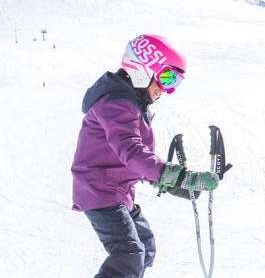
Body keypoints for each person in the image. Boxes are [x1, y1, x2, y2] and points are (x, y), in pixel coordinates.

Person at [70, 34, 220, 278]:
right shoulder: (115, 104)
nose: (167, 90)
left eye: (175, 82)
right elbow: (132, 152)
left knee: (145, 248)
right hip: (99, 191)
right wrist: (180, 176)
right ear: (141, 68)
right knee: (128, 255)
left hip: (116, 191)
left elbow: (137, 161)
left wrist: (169, 183)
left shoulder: (131, 104)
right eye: (167, 78)